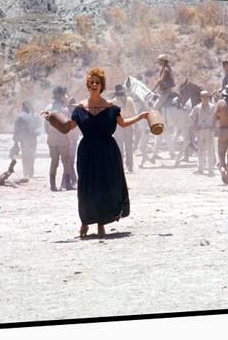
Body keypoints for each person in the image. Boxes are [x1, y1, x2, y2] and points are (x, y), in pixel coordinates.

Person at [43, 67, 149, 237]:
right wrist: (51, 118)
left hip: (108, 151)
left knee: (106, 186)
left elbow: (122, 123)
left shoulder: (111, 107)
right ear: (88, 84)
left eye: (97, 82)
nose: (94, 85)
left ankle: (101, 223)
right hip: (87, 151)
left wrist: (141, 116)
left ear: (102, 85)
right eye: (91, 82)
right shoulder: (79, 109)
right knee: (86, 187)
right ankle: (85, 222)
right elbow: (68, 127)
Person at [44, 86, 74, 191]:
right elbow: (69, 124)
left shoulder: (47, 108)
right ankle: (67, 184)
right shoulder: (65, 109)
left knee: (54, 162)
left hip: (51, 138)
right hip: (62, 137)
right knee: (66, 161)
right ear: (61, 95)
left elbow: (45, 126)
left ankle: (53, 185)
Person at [11, 101, 40, 178]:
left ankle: (26, 172)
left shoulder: (20, 116)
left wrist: (15, 142)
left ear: (23, 107)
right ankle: (30, 172)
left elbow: (16, 130)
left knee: (25, 157)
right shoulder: (35, 116)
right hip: (33, 139)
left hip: (24, 140)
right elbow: (39, 128)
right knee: (32, 156)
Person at [189, 90, 216, 176]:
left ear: (209, 98)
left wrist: (214, 127)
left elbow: (217, 118)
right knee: (200, 150)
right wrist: (194, 126)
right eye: (203, 97)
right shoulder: (197, 107)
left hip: (209, 130)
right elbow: (191, 117)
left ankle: (210, 169)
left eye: (207, 97)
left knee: (210, 150)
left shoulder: (212, 107)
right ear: (201, 98)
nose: (205, 99)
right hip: (200, 131)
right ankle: (200, 168)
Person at [112, 84, 137, 172]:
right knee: (120, 147)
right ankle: (121, 166)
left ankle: (130, 166)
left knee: (128, 146)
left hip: (127, 125)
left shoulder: (129, 100)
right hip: (119, 126)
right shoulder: (114, 102)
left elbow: (134, 113)